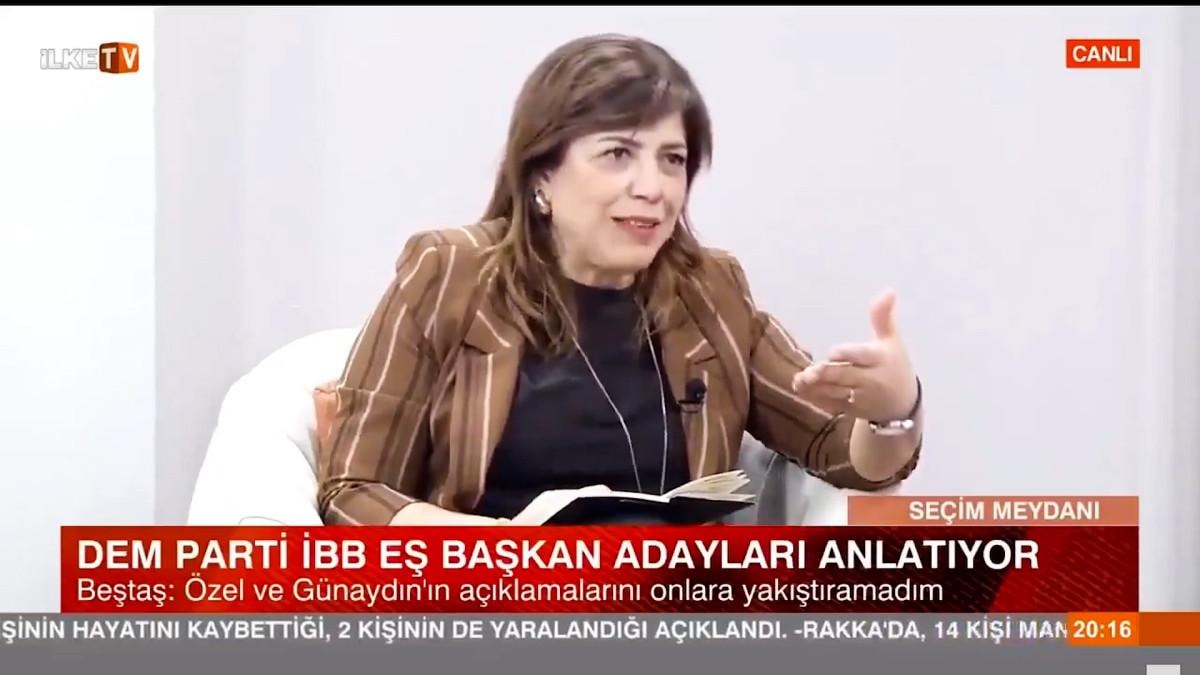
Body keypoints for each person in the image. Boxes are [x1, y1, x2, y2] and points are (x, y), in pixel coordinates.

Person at [315, 33, 922, 527]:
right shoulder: (449, 273)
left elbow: (845, 457)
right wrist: (492, 549)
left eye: (672, 160)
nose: (653, 188)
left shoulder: (711, 292)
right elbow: (353, 489)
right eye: (617, 155)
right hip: (499, 604)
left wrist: (894, 412)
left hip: (674, 607)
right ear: (542, 177)